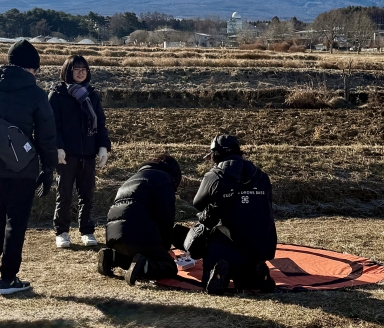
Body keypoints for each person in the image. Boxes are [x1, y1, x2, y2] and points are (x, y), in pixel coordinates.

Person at [185, 135, 277, 295]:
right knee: (247, 279)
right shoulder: (262, 176)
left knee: (204, 230)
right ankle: (257, 276)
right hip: (261, 246)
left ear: (215, 154)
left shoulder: (214, 175)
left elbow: (197, 203)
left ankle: (219, 272)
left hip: (226, 244)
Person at [0, 40, 57, 295]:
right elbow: (46, 134)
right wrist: (48, 169)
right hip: (22, 169)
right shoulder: (35, 94)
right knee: (16, 223)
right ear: (31, 68)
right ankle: (8, 278)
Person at [48, 55, 111, 248]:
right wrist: (57, 147)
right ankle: (62, 231)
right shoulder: (57, 95)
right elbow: (53, 125)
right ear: (68, 71)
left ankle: (87, 230)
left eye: (84, 68)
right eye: (76, 68)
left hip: (88, 153)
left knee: (87, 194)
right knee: (64, 193)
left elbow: (100, 123)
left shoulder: (91, 94)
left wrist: (103, 146)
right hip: (66, 154)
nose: (81, 72)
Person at [98, 153, 181, 286]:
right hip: (140, 236)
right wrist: (164, 246)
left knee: (131, 258)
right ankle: (144, 267)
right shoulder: (163, 180)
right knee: (169, 267)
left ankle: (112, 258)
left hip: (115, 236)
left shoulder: (131, 179)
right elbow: (166, 217)